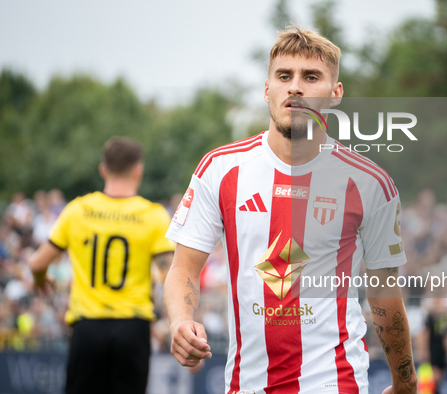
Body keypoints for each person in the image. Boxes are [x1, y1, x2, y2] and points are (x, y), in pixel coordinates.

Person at [164, 26, 417, 394]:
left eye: (311, 77)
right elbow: (183, 267)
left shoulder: (369, 183)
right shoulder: (219, 169)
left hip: (336, 381)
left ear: (335, 94)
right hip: (246, 384)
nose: (295, 87)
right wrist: (180, 322)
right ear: (267, 89)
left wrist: (405, 382)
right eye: (284, 76)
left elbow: (383, 291)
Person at [28, 137, 176, 394]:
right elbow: (171, 277)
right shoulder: (153, 216)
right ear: (138, 170)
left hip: (88, 328)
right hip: (133, 328)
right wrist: (179, 325)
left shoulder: (78, 211)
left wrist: (42, 280)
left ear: (103, 169)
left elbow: (37, 262)